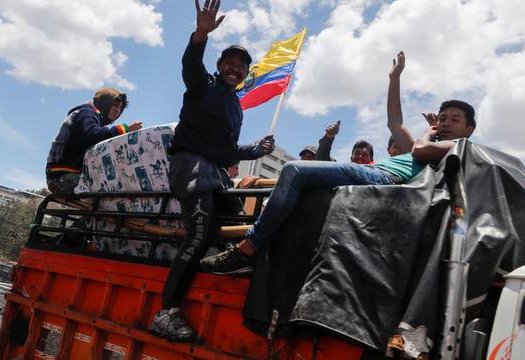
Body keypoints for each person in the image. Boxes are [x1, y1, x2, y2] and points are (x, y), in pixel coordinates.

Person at [200, 51, 477, 274]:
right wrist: (394, 79)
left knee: (294, 169)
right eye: (443, 118)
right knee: (296, 184)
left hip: (383, 178)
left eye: (454, 120)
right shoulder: (424, 145)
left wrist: (430, 131)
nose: (445, 123)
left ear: (469, 129)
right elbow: (395, 122)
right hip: (372, 173)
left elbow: (419, 149)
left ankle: (249, 248)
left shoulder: (457, 147)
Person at [147, 0, 274, 342]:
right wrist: (200, 35)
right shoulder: (203, 85)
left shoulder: (236, 106)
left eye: (241, 66)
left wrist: (257, 150)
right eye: (229, 63)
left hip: (216, 174)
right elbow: (190, 65)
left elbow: (226, 151)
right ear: (218, 66)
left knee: (237, 226)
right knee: (199, 234)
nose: (235, 69)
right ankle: (166, 311)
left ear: (246, 73)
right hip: (190, 168)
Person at [45, 88, 142, 194]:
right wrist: (125, 129)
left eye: (120, 107)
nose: (117, 110)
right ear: (105, 103)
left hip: (67, 176)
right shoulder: (86, 113)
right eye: (115, 105)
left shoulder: (90, 116)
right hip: (62, 177)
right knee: (115, 189)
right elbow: (94, 136)